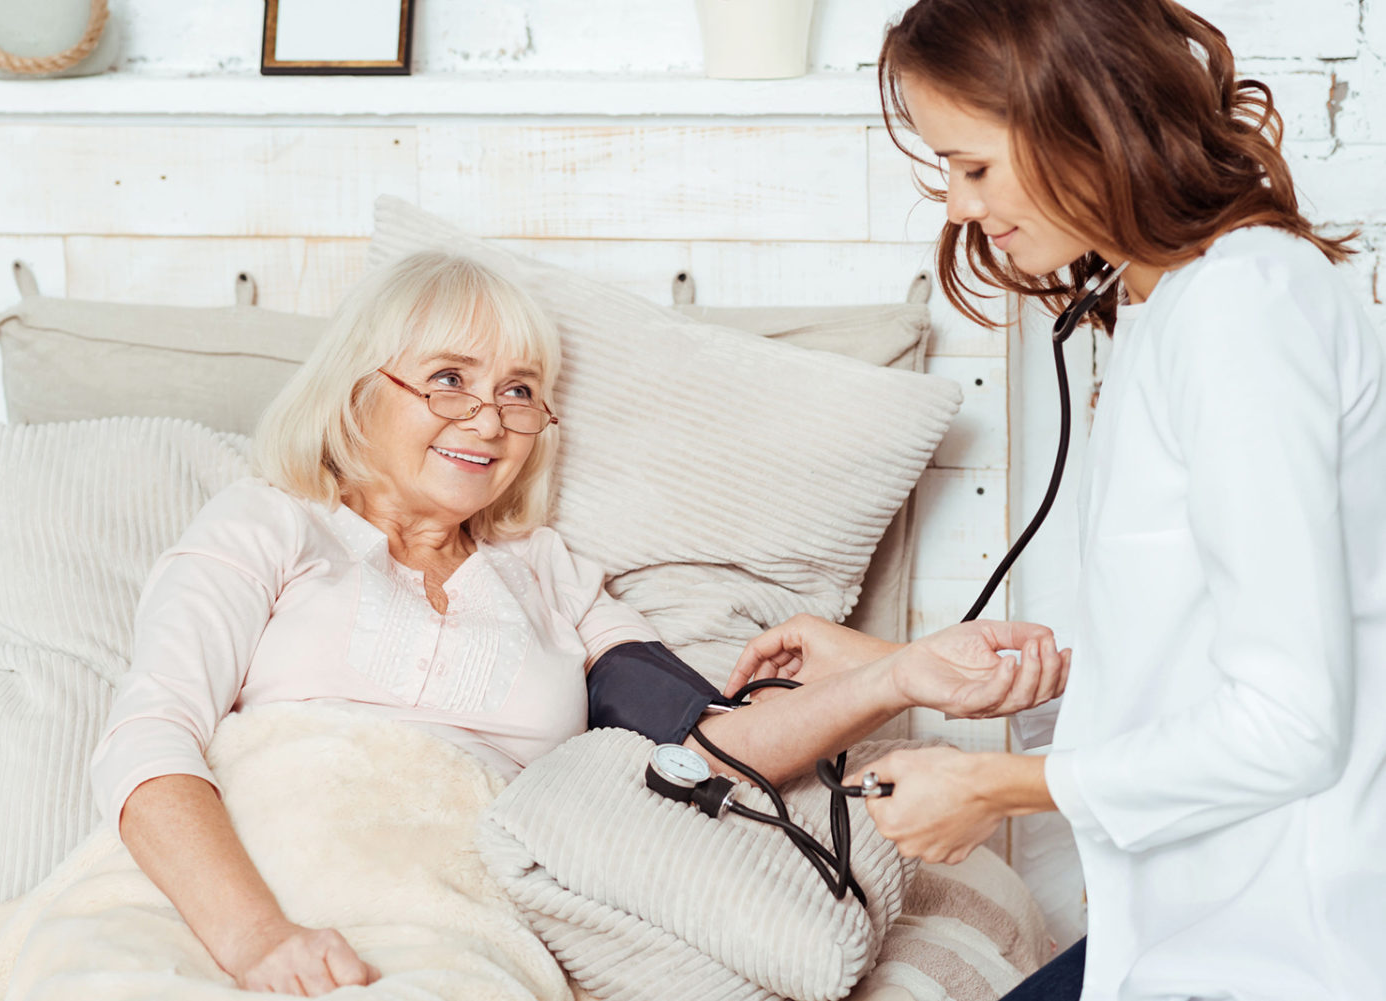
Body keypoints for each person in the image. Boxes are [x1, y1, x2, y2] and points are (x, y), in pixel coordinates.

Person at [90, 250, 1070, 998]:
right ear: (357, 390)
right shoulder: (266, 522)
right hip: (229, 897)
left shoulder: (550, 576)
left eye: (519, 392)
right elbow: (149, 735)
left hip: (457, 923)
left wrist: (896, 677)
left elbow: (704, 747)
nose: (487, 420)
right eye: (448, 378)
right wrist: (258, 937)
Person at [728, 1, 1386, 998]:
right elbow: (1221, 658)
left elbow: (1290, 723)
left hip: (1280, 949)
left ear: (1086, 121)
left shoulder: (1244, 313)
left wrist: (994, 787)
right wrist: (895, 668)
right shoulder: (1175, 305)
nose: (956, 204)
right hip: (1183, 932)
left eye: (975, 165)